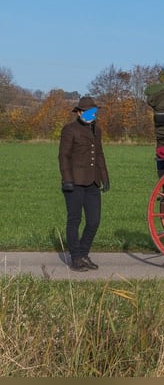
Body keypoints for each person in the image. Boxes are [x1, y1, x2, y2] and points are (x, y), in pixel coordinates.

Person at [58, 96, 110, 272]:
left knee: (94, 221)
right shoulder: (69, 130)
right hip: (74, 182)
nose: (91, 116)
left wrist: (105, 177)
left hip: (93, 181)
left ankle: (83, 254)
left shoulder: (97, 130)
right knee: (74, 220)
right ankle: (75, 258)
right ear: (79, 112)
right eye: (87, 112)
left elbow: (100, 154)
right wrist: (67, 180)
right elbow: (63, 156)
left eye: (93, 113)